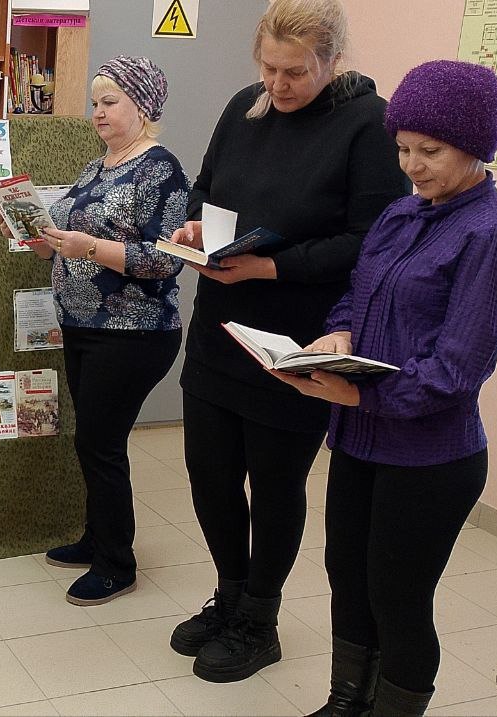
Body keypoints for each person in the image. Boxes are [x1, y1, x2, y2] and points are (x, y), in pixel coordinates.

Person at [270, 60, 497, 717]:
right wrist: (337, 336)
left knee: (398, 597)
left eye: (430, 151)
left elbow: (457, 370)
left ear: (474, 145)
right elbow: (356, 296)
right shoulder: (400, 214)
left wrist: (360, 395)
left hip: (430, 457)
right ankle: (345, 702)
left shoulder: (494, 233)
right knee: (347, 578)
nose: (412, 165)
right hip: (361, 440)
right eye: (404, 148)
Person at [164, 0, 410, 683]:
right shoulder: (245, 106)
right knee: (209, 472)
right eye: (268, 68)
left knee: (274, 484)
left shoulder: (368, 122)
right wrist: (195, 230)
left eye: (295, 72)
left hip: (297, 340)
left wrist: (271, 266)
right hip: (221, 327)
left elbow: (369, 240)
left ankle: (258, 620)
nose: (277, 84)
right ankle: (229, 594)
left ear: (332, 60)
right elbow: (205, 190)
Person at [0, 55, 189, 607]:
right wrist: (41, 238)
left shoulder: (160, 169)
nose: (98, 112)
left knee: (100, 443)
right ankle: (96, 537)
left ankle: (116, 563)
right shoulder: (95, 168)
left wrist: (90, 248)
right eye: (95, 103)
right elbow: (62, 241)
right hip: (83, 326)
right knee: (93, 438)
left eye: (110, 102)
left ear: (142, 106)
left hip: (133, 330)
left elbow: (166, 258)